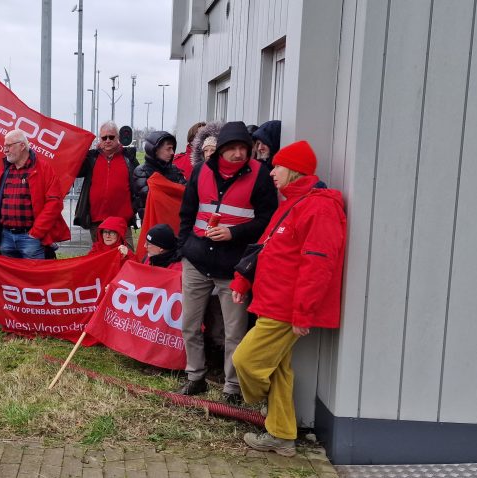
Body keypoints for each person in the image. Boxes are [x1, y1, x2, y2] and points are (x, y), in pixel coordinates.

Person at [230, 140, 346, 457]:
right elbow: (264, 248)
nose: (271, 172)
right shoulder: (292, 203)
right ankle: (281, 436)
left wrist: (303, 313)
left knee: (246, 361)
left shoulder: (319, 208)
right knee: (278, 370)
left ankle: (263, 405)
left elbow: (318, 265)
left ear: (294, 170)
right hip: (272, 303)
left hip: (284, 309)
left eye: (277, 166)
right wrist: (243, 280)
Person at [176, 121, 278, 403]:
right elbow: (186, 213)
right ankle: (195, 377)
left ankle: (232, 387)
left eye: (243, 148)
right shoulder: (201, 171)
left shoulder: (260, 175)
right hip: (197, 261)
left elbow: (267, 220)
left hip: (234, 267)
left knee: (234, 331)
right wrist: (184, 249)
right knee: (190, 325)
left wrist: (234, 233)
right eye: (232, 148)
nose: (238, 154)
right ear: (220, 149)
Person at [0, 130, 70, 259]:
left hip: (31, 239)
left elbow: (54, 203)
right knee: (9, 272)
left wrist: (36, 232)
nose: (5, 150)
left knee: (34, 272)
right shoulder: (4, 172)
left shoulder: (43, 169)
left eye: (9, 146)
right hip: (6, 238)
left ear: (22, 146)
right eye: (4, 146)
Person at [73, 121, 137, 242]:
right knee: (99, 253)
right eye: (104, 137)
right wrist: (81, 148)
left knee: (125, 253)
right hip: (97, 221)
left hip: (122, 221)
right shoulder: (91, 157)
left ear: (117, 138)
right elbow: (75, 171)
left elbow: (138, 184)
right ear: (100, 139)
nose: (107, 140)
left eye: (111, 137)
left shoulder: (128, 158)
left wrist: (133, 209)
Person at [132, 130, 186, 223]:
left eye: (173, 148)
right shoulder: (141, 172)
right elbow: (149, 200)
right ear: (156, 150)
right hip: (152, 223)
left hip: (174, 223)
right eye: (168, 149)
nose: (172, 152)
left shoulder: (174, 170)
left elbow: (186, 193)